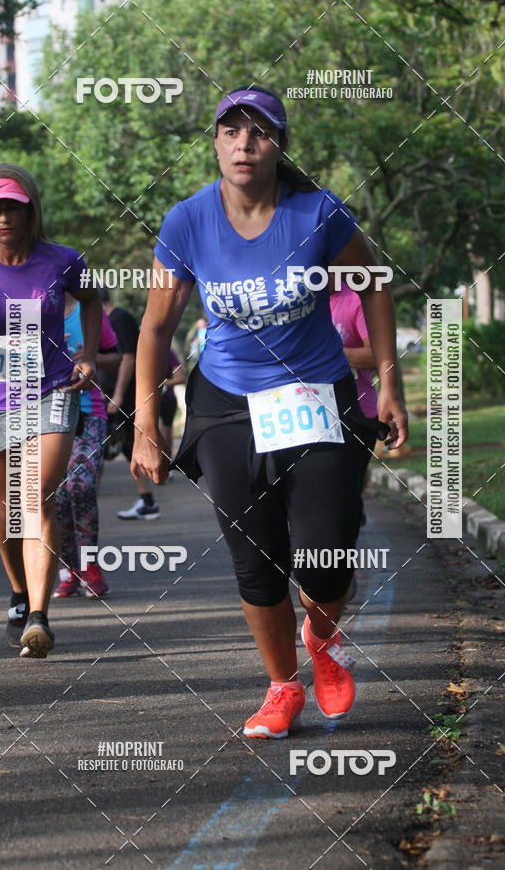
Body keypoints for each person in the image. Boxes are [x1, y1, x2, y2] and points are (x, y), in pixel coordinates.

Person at [131, 85, 408, 739]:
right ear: (216, 142)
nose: (243, 144)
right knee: (256, 557)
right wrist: (147, 424)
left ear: (279, 144)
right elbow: (153, 329)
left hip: (315, 396)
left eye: (258, 132)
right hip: (227, 403)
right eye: (231, 131)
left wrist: (390, 385)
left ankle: (322, 635)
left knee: (325, 557)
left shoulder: (317, 214)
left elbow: (375, 289)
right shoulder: (187, 221)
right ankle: (282, 686)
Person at [0, 164, 101, 658]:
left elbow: (92, 302)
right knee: (9, 512)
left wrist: (88, 352)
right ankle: (18, 593)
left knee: (35, 498)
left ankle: (38, 615)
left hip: (50, 390)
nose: (5, 216)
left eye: (14, 206)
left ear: (30, 210)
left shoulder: (64, 260)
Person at [53, 293, 120, 598]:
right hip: (45, 414)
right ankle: (69, 569)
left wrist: (87, 358)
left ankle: (89, 565)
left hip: (88, 412)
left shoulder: (88, 310)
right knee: (54, 496)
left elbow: (114, 355)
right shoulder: (32, 309)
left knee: (79, 486)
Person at [99, 289, 161, 520]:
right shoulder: (106, 320)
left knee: (122, 445)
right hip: (110, 395)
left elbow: (128, 357)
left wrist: (118, 395)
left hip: (125, 396)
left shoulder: (119, 318)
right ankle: (147, 500)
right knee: (113, 447)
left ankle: (148, 500)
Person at [329, 278, 378, 535]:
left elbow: (377, 355)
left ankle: (343, 565)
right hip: (308, 416)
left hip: (357, 414)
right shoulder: (291, 300)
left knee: (345, 493)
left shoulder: (354, 299)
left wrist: (329, 351)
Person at [159, 347, 186, 458]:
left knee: (166, 435)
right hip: (148, 401)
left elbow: (181, 377)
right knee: (156, 431)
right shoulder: (138, 351)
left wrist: (163, 383)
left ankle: (166, 463)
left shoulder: (168, 353)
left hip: (167, 400)